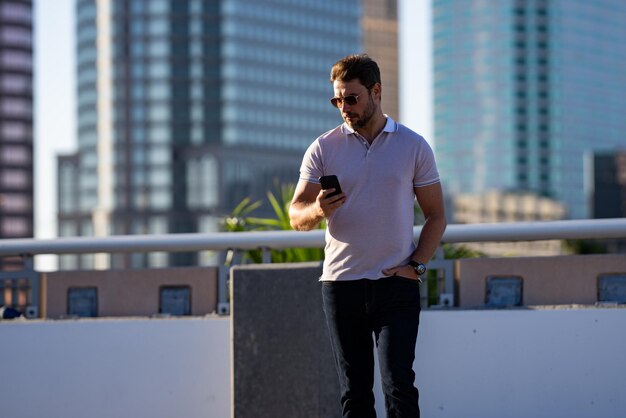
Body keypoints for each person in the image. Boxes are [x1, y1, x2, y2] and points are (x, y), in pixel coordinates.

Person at [288, 54, 447, 417]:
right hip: (341, 285)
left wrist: (417, 266)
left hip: (396, 284)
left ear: (376, 91)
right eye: (337, 100)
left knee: (400, 388)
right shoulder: (323, 148)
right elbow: (296, 213)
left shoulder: (413, 145)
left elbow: (436, 216)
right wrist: (318, 210)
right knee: (355, 395)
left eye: (352, 98)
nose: (344, 107)